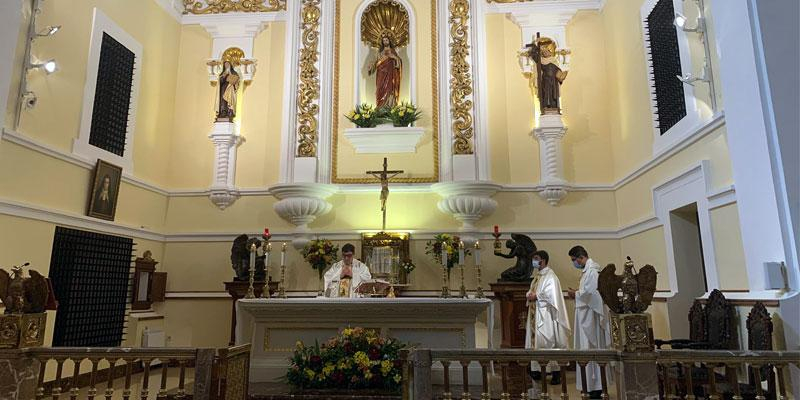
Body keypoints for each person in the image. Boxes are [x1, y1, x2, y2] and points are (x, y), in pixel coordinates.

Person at [567, 245, 610, 399]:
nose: (574, 263)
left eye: (574, 260)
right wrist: (578, 293)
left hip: (590, 319)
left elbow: (591, 294)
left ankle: (596, 386)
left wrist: (575, 294)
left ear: (581, 257)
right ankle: (589, 385)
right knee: (585, 350)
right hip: (585, 316)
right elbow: (586, 292)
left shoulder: (592, 271)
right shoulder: (588, 271)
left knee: (591, 348)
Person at [525, 250, 570, 385]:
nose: (534, 261)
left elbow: (552, 295)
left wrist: (537, 296)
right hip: (536, 313)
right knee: (537, 342)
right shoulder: (537, 277)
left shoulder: (551, 277)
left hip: (547, 316)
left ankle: (556, 372)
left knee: (548, 341)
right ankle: (537, 370)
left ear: (543, 260)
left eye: (536, 258)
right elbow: (533, 290)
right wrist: (529, 294)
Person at [368, 35, 402, 109]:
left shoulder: (393, 51)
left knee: (390, 89)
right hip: (381, 74)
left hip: (390, 74)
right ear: (382, 42)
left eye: (386, 40)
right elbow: (374, 61)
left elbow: (398, 63)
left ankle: (390, 107)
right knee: (379, 89)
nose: (385, 42)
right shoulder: (379, 52)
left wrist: (394, 57)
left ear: (389, 41)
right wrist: (371, 66)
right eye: (384, 41)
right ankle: (380, 107)